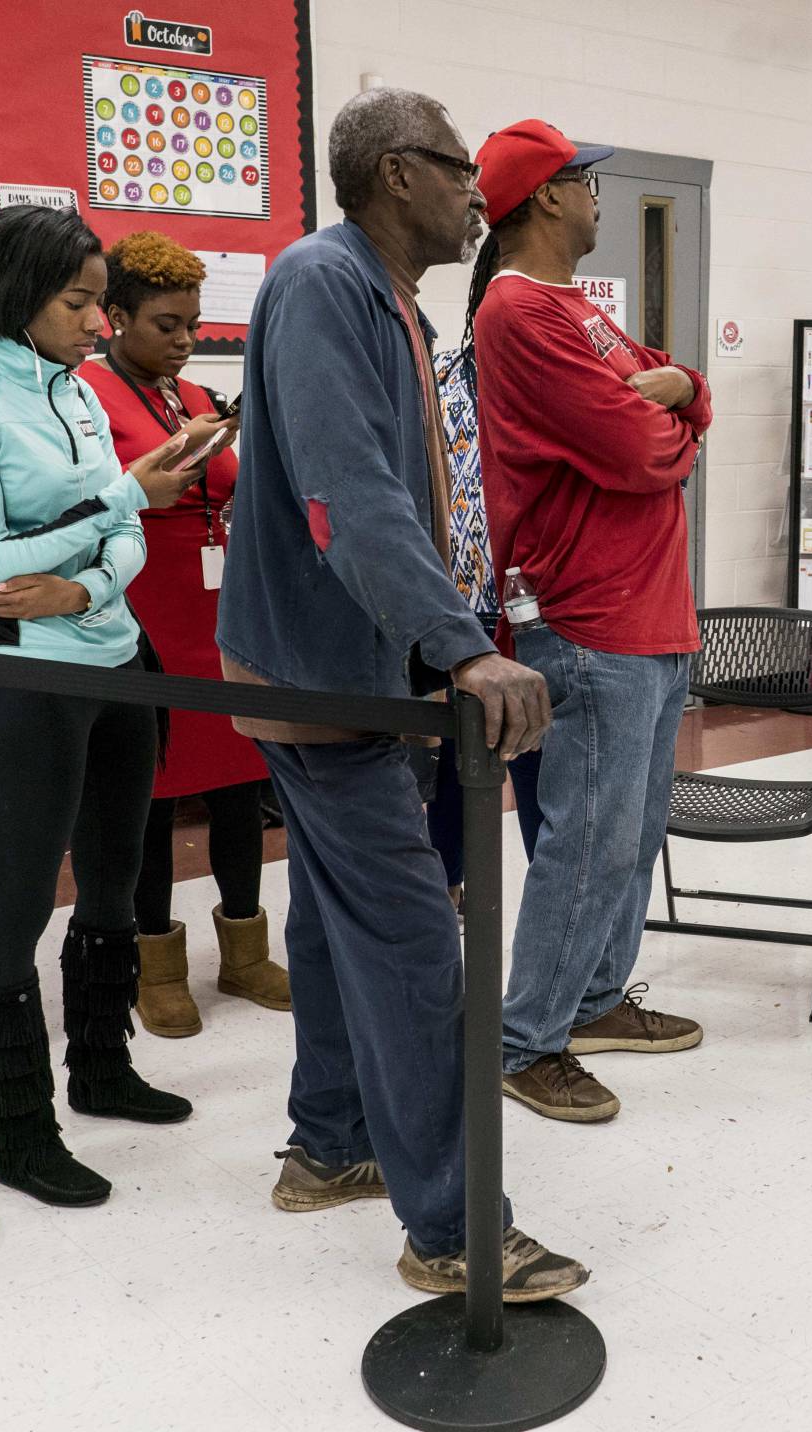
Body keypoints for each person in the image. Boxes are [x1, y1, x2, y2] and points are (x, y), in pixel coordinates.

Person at [218, 86, 586, 1299]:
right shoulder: (325, 284)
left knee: (336, 917)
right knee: (421, 946)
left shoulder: (382, 297)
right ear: (395, 176)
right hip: (329, 679)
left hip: (353, 671)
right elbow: (347, 494)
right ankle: (452, 1226)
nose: (481, 193)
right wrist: (458, 645)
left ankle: (329, 1146)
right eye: (457, 167)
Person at [0, 204, 211, 1208]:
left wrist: (92, 577)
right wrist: (120, 508)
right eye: (80, 300)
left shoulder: (82, 391)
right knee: (13, 902)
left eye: (99, 301)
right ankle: (19, 1127)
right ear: (18, 296)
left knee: (119, 872)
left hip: (117, 654)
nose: (97, 321)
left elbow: (129, 538)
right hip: (32, 677)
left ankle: (100, 1066)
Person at [468, 118, 710, 1123]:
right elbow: (636, 450)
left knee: (635, 831)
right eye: (585, 180)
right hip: (589, 619)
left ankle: (597, 997)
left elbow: (677, 386)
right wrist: (679, 416)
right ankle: (528, 1041)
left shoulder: (580, 310)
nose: (599, 197)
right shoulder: (519, 314)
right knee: (585, 842)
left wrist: (687, 391)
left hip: (650, 618)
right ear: (547, 199)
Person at [81, 231, 289, 1039]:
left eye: (193, 324)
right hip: (144, 610)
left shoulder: (198, 397)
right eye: (165, 324)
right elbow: (96, 496)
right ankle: (155, 964)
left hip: (220, 614)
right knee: (153, 797)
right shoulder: (90, 396)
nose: (183, 339)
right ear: (115, 315)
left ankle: (243, 952)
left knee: (240, 779)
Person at [423, 338, 544, 911]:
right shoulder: (437, 375)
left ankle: (550, 910)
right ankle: (445, 887)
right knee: (452, 766)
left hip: (535, 608)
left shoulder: (556, 372)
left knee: (535, 763)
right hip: (453, 606)